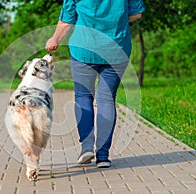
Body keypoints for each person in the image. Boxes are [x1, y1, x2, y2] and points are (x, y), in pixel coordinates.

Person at [45, 0, 145, 168]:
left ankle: (86, 148)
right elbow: (136, 13)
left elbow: (66, 20)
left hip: (84, 48)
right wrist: (112, 22)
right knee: (106, 100)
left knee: (83, 97)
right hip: (116, 48)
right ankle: (103, 156)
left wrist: (54, 38)